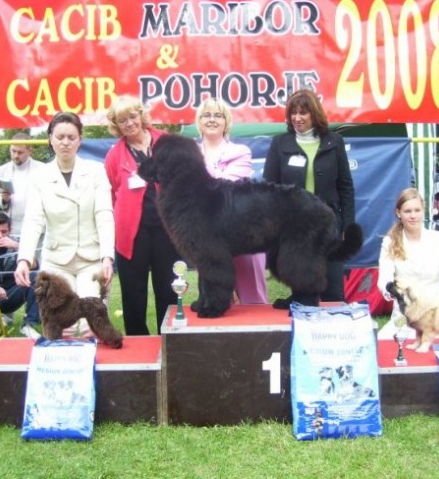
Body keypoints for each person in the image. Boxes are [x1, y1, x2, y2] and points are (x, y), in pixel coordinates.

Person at [14, 111, 115, 337]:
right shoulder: (39, 176)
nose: (66, 142)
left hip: (91, 260)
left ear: (80, 139)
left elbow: (104, 214)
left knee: (89, 326)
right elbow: (33, 220)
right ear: (51, 138)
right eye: (60, 137)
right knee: (63, 328)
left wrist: (107, 256)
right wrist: (23, 259)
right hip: (56, 263)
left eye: (71, 137)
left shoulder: (96, 171)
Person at [263, 89, 355, 307]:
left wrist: (347, 226)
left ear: (315, 114)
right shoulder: (279, 143)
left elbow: (346, 188)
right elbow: (269, 189)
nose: (297, 118)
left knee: (332, 293)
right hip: (294, 228)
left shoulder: (335, 142)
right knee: (303, 294)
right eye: (293, 113)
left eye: (303, 113)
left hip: (329, 225)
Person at [104, 95, 178, 335]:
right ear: (116, 125)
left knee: (167, 289)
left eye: (132, 116)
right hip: (131, 235)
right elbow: (113, 193)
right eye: (122, 120)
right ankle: (137, 344)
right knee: (133, 293)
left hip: (165, 229)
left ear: (141, 115)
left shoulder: (165, 141)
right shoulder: (114, 155)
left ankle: (168, 338)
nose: (129, 123)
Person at [195, 97, 268, 305]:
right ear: (199, 121)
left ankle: (260, 333)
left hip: (244, 233)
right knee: (214, 300)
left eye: (218, 115)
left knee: (253, 299)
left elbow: (223, 188)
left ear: (226, 122)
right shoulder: (190, 152)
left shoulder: (241, 152)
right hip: (208, 236)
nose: (212, 120)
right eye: (206, 115)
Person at [377, 188, 439, 339]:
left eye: (417, 210)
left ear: (424, 211)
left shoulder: (438, 239)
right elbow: (384, 280)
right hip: (403, 317)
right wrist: (393, 291)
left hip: (433, 317)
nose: (413, 216)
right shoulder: (389, 242)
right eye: (408, 211)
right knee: (382, 345)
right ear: (398, 213)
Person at [0, 132, 46, 236]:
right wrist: (2, 200)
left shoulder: (43, 169)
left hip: (37, 230)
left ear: (30, 151)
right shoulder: (0, 171)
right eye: (13, 151)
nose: (16, 155)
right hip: (9, 231)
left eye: (20, 152)